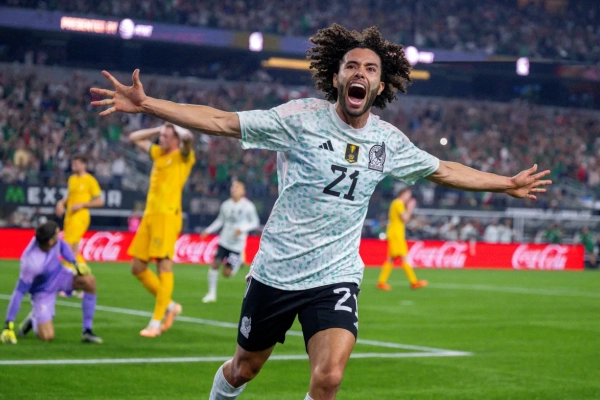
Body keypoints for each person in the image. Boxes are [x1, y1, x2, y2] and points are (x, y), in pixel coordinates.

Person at [91, 24, 551, 400]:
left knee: (329, 378)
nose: (360, 72)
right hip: (277, 271)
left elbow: (444, 169)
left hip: (335, 275)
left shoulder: (388, 142)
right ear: (336, 78)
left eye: (370, 68)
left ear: (380, 85)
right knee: (244, 368)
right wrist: (148, 105)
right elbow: (222, 121)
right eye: (351, 65)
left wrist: (506, 183)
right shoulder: (300, 119)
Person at [126, 123, 195, 337]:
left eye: (166, 136)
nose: (161, 139)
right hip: (149, 215)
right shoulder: (158, 153)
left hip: (167, 216)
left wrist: (177, 128)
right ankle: (170, 306)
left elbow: (188, 139)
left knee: (163, 266)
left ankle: (155, 323)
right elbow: (134, 138)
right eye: (161, 136)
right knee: (137, 267)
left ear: (176, 139)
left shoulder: (183, 157)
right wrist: (158, 129)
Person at [0, 221, 102, 344]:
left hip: (60, 275)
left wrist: (74, 263)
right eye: (57, 235)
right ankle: (33, 319)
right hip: (43, 291)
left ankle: (87, 331)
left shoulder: (51, 241)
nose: (59, 236)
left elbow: (62, 245)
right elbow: (19, 292)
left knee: (89, 281)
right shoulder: (31, 263)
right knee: (47, 336)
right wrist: (8, 325)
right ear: (50, 241)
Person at [201, 180, 260, 303]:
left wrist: (242, 228)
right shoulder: (226, 205)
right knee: (215, 264)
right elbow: (220, 220)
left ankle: (238, 261)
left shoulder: (248, 206)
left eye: (237, 188)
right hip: (224, 240)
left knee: (227, 273)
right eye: (233, 187)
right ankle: (211, 294)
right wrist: (208, 230)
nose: (234, 189)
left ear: (243, 191)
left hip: (237, 244)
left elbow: (255, 222)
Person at [55, 154, 104, 269]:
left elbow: (100, 201)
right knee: (74, 251)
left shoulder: (90, 180)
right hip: (69, 217)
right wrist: (61, 203)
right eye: (73, 163)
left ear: (84, 165)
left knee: (67, 247)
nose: (73, 166)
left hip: (80, 217)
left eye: (76, 164)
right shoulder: (72, 179)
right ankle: (83, 275)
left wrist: (82, 205)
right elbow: (70, 197)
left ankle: (68, 275)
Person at [376, 187, 427, 291]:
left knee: (391, 258)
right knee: (404, 257)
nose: (409, 197)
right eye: (408, 195)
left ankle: (381, 282)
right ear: (402, 194)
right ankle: (414, 282)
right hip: (396, 234)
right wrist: (410, 207)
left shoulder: (396, 203)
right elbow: (405, 218)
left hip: (394, 233)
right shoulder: (398, 203)